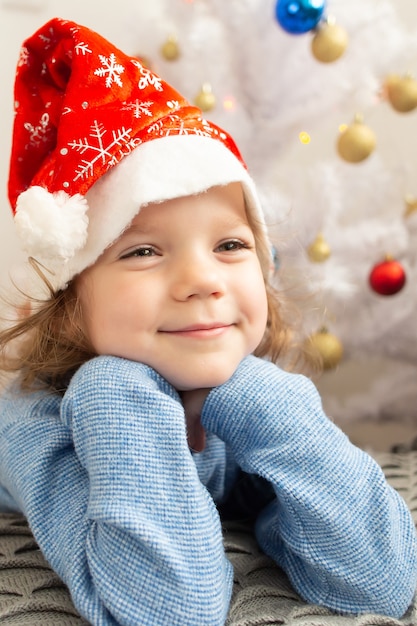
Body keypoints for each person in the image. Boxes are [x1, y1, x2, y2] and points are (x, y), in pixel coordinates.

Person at [0, 17, 416, 626]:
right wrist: (117, 396)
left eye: (230, 246)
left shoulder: (238, 393)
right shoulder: (40, 426)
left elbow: (378, 581)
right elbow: (170, 610)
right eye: (142, 251)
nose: (204, 280)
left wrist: (269, 402)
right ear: (70, 307)